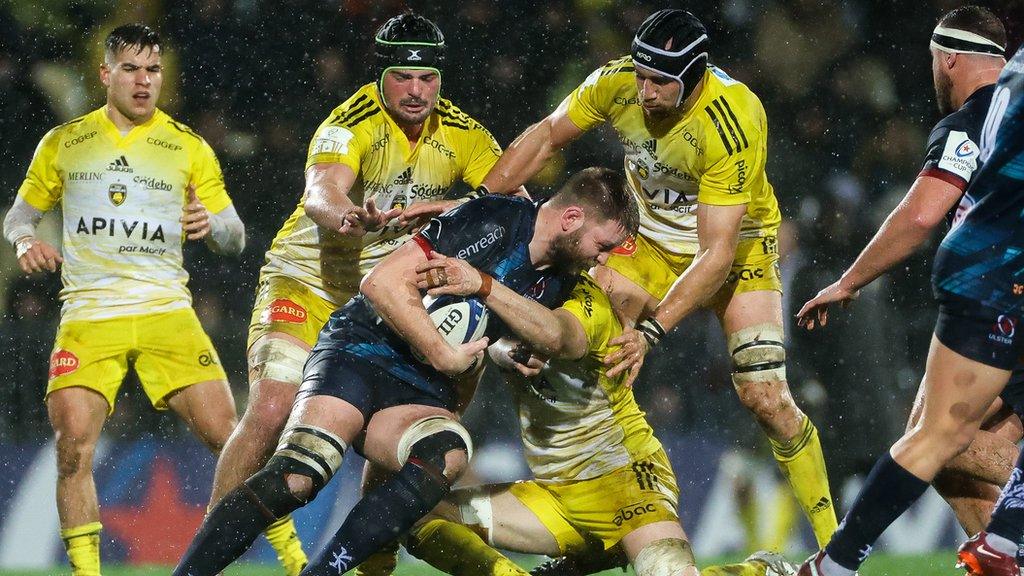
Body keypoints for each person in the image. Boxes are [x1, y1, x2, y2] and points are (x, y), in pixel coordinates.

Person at [479, 8, 837, 545]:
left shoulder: (734, 117)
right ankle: (588, 512)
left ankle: (836, 547)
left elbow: (715, 254)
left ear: (694, 76)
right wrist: (482, 206)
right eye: (642, 77)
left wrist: (652, 330)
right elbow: (548, 136)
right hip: (643, 245)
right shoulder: (617, 82)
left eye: (661, 82)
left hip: (738, 254)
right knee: (566, 335)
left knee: (766, 397)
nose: (646, 92)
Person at [172, 166, 639, 576]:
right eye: (603, 245)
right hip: (360, 350)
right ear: (572, 218)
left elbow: (492, 325)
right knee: (301, 474)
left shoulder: (556, 279)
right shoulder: (493, 220)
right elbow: (381, 282)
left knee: (448, 452)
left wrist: (505, 352)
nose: (601, 258)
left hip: (419, 391)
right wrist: (440, 353)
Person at [206, 12, 513, 573]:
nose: (416, 90)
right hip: (308, 281)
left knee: (398, 437)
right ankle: (210, 547)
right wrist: (348, 217)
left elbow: (515, 210)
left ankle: (374, 564)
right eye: (403, 77)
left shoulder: (466, 134)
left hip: (382, 306)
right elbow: (321, 191)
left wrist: (444, 209)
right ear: (381, 76)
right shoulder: (350, 123)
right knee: (273, 410)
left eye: (427, 78)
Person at [1, 24, 244, 576]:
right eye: (131, 69)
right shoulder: (64, 143)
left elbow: (235, 235)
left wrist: (213, 223)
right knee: (72, 449)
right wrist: (24, 240)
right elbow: (20, 215)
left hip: (167, 313)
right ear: (105, 74)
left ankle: (295, 559)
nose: (143, 81)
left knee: (231, 443)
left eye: (153, 70)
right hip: (90, 317)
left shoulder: (187, 145)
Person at [390, 254, 799, 576]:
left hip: (626, 484)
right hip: (555, 494)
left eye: (606, 252)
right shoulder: (518, 291)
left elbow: (557, 335)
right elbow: (494, 337)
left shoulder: (590, 304)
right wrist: (502, 348)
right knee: (415, 517)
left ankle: (762, 570)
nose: (601, 261)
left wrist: (484, 289)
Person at [795, 38, 1024, 576]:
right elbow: (922, 214)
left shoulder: (992, 102)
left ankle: (840, 561)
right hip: (1003, 277)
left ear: (948, 60)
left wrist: (849, 281)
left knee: (937, 440)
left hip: (983, 273)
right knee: (940, 438)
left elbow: (928, 217)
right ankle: (1006, 545)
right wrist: (851, 280)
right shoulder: (981, 116)